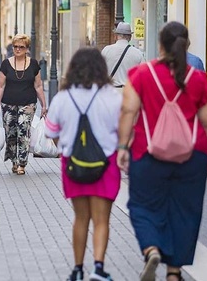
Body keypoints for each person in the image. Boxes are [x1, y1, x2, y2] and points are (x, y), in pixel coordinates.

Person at [117, 21, 207, 281]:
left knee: (142, 205)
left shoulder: (141, 74)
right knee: (185, 211)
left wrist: (122, 146)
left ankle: (152, 247)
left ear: (160, 45)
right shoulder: (197, 78)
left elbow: (128, 112)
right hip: (191, 158)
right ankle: (174, 272)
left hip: (147, 155)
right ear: (186, 45)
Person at [44, 47, 123, 281]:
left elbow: (50, 131)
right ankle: (98, 267)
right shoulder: (112, 96)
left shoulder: (63, 98)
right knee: (101, 220)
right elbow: (123, 129)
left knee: (80, 218)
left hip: (73, 163)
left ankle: (77, 269)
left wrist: (65, 146)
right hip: (106, 164)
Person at [0, 34, 47, 175]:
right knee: (11, 133)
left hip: (28, 104)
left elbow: (38, 86)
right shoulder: (6, 64)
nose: (17, 49)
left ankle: (22, 163)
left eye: (21, 47)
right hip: (8, 104)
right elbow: (0, 86)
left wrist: (44, 105)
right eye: (15, 46)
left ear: (27, 48)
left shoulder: (34, 64)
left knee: (24, 132)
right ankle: (14, 161)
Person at [101, 22, 145, 88]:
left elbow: (99, 71)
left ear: (116, 36)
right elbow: (144, 74)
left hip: (110, 91)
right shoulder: (137, 53)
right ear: (130, 37)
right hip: (129, 92)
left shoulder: (106, 50)